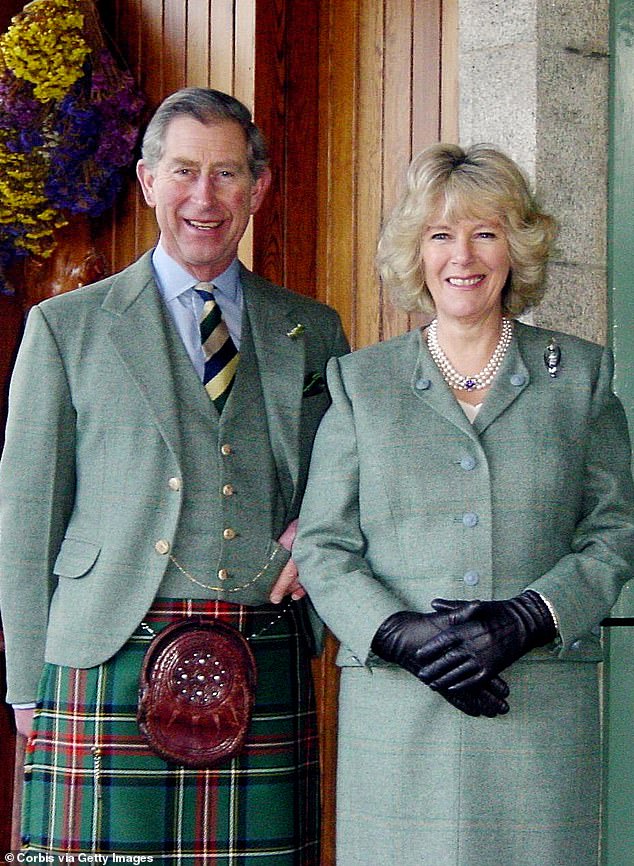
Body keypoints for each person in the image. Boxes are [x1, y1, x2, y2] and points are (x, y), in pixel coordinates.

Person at [0, 87, 349, 863]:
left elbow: (346, 477)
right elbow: (27, 516)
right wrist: (26, 681)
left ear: (258, 189)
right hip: (105, 649)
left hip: (264, 649)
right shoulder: (66, 326)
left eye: (227, 175)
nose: (205, 197)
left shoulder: (313, 329)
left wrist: (320, 521)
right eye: (184, 171)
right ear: (148, 178)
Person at [293, 143, 634, 866]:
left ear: (518, 246)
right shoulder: (361, 382)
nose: (464, 255)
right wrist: (396, 634)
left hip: (539, 716)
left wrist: (530, 616)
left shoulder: (579, 375)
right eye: (441, 234)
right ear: (415, 254)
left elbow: (615, 531)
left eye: (487, 231)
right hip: (400, 718)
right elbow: (324, 546)